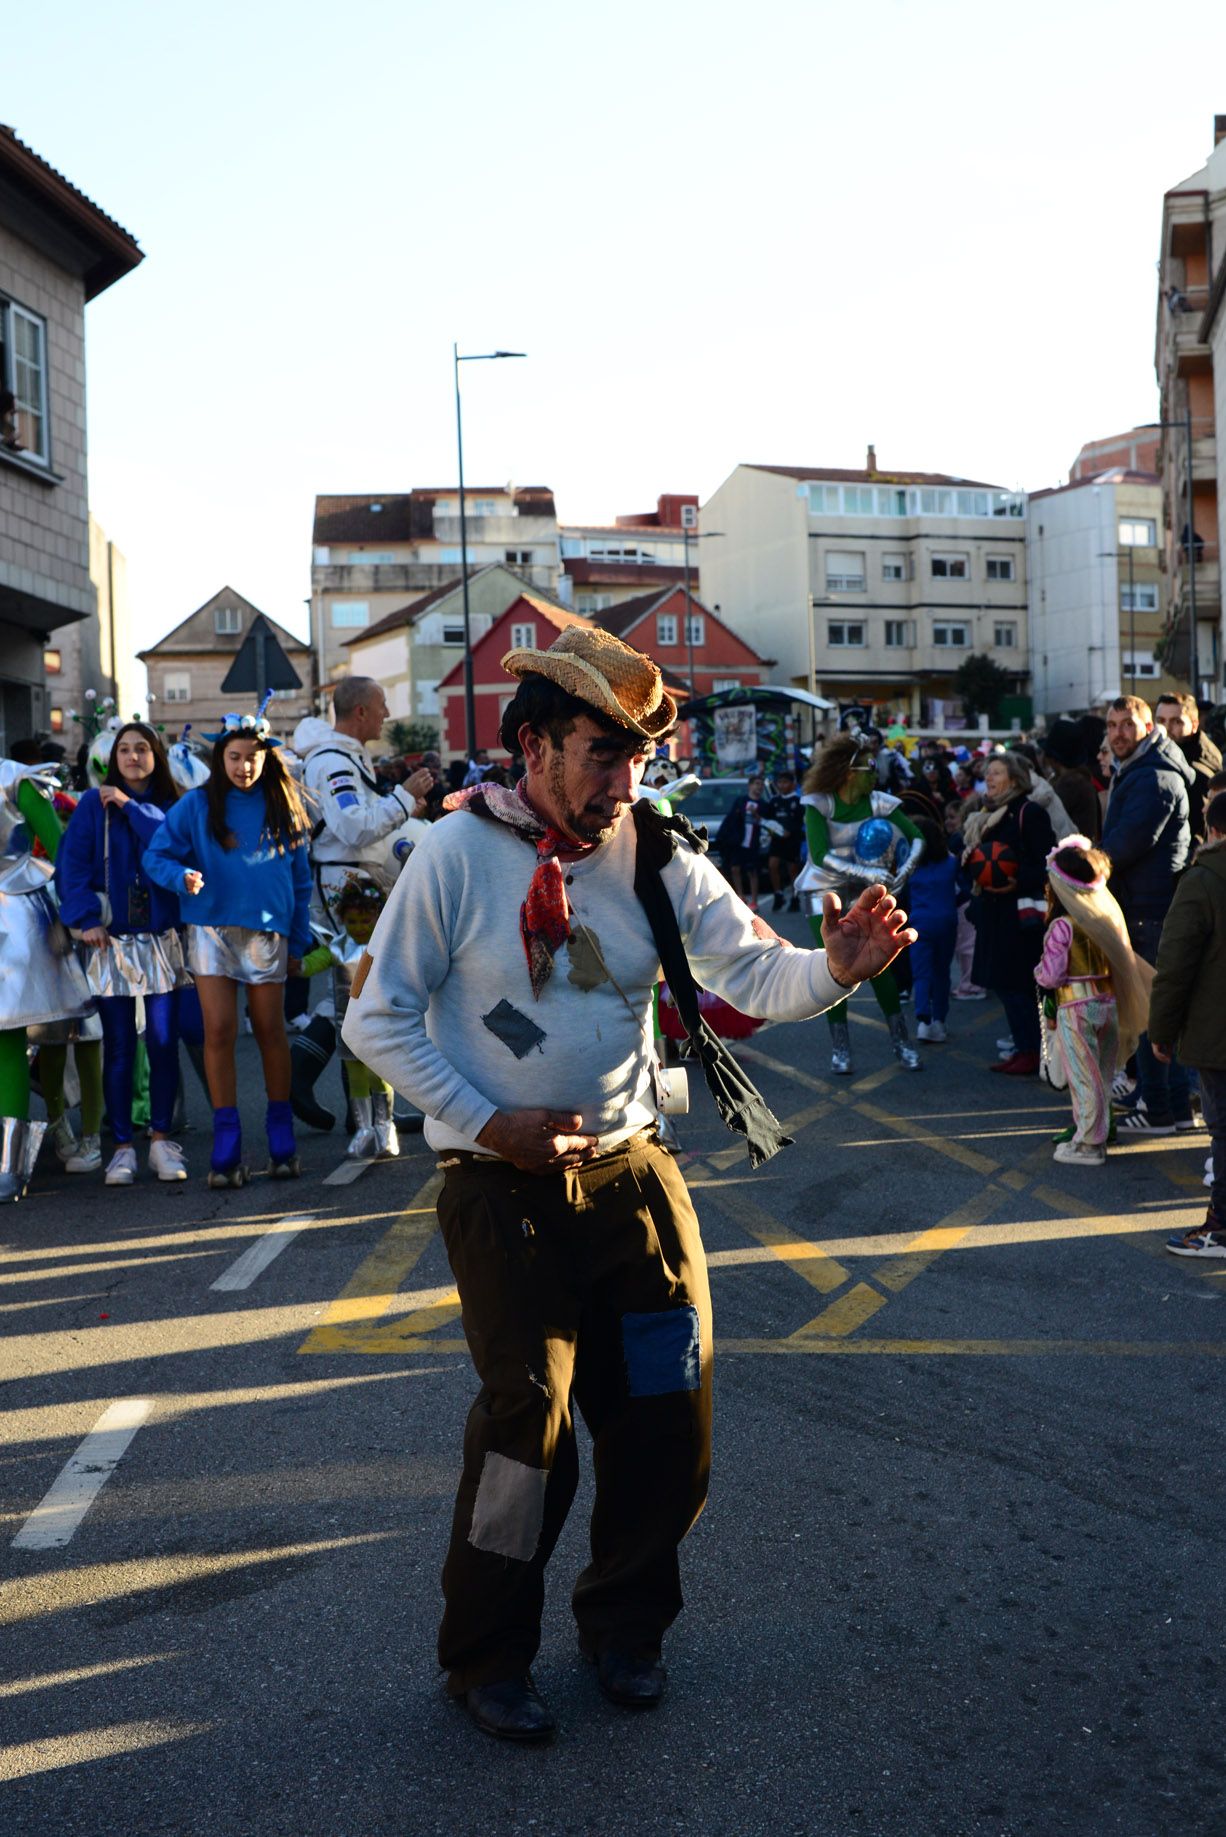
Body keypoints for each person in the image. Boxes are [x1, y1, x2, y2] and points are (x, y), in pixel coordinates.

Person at [342, 624, 914, 1743]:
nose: (621, 782)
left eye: (637, 759)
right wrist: (490, 1124)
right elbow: (378, 1019)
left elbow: (753, 967)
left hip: (633, 1178)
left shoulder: (653, 852)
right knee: (528, 1430)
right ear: (535, 745)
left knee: (667, 1412)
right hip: (498, 1188)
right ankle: (487, 1654)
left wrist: (835, 970)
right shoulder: (452, 857)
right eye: (601, 755)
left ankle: (624, 1625)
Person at [143, 706, 312, 1186]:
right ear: (221, 758)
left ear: (267, 757)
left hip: (267, 933)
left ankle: (281, 1133)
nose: (244, 767)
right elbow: (156, 854)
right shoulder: (197, 805)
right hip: (210, 930)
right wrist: (180, 876)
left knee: (268, 1030)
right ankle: (227, 1138)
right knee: (217, 1031)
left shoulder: (285, 802)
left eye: (253, 757)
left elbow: (301, 882)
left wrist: (299, 938)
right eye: (235, 757)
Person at [289, 681, 430, 1132]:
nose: (388, 714)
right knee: (360, 991)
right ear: (363, 711)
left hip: (355, 880)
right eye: (384, 707)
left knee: (362, 991)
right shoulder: (333, 761)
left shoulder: (342, 755)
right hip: (344, 883)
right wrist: (403, 798)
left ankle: (366, 1109)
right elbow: (352, 826)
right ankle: (362, 1112)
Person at [55, 722, 189, 1184]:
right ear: (113, 757)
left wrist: (131, 808)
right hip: (109, 940)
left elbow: (173, 847)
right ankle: (122, 1149)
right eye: (125, 749)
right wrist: (85, 917)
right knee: (118, 1047)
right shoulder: (93, 803)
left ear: (157, 755)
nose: (133, 756)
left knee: (163, 1042)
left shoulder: (172, 803)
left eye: (143, 749)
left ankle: (160, 1142)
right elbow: (69, 868)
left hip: (160, 938)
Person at [796, 731, 924, 1074]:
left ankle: (902, 1042)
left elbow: (917, 837)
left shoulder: (881, 801)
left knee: (882, 967)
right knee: (833, 967)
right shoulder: (818, 803)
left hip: (867, 892)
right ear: (850, 772)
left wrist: (904, 871)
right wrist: (867, 873)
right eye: (869, 769)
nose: (876, 775)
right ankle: (840, 1048)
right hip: (823, 893)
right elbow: (820, 856)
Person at [1099, 694, 1196, 1136]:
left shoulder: (1153, 777)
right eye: (1112, 725)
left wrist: (1082, 862)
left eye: (1127, 724)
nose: (1118, 733)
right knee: (1158, 1016)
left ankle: (1158, 1110)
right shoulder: (1141, 769)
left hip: (1148, 913)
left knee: (1149, 1018)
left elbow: (1125, 845)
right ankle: (1174, 1109)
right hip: (1147, 909)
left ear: (1147, 729)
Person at [0, 757, 95, 1200]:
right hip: (15, 917)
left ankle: (9, 1164)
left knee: (7, 1040)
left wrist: (79, 912)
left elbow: (60, 847)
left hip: (13, 920)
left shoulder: (14, 778)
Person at [1034, 839, 1152, 1167]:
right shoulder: (1105, 918)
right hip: (1109, 1006)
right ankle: (1099, 1132)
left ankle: (1089, 1144)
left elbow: (1053, 975)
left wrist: (1040, 973)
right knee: (1101, 1074)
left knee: (1083, 1078)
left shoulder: (1062, 925)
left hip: (1077, 1009)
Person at [1154, 792, 1226, 1255]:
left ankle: (1220, 1228)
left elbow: (1175, 963)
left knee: (1224, 1130)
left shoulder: (1203, 878)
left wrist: (1161, 1030)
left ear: (1215, 830)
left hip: (1217, 1032)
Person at [961, 751, 1055, 1075]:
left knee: (1018, 986)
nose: (989, 778)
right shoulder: (986, 813)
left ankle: (1032, 1050)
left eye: (997, 773)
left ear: (1014, 779)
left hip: (1019, 916)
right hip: (993, 910)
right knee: (1002, 984)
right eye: (988, 773)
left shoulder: (1029, 813)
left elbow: (1048, 861)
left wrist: (1016, 881)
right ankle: (1023, 1046)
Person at [907, 816, 958, 1042]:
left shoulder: (910, 866)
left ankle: (923, 1019)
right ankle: (939, 1021)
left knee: (921, 973)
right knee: (942, 973)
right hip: (947, 921)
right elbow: (965, 889)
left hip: (920, 923)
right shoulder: (951, 862)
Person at [1154, 692, 1222, 844]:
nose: (1166, 728)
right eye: (1160, 721)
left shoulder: (1197, 772)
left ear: (1194, 725)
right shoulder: (1162, 760)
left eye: (1176, 722)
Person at [714, 773, 769, 907]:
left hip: (754, 842)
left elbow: (767, 821)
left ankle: (754, 901)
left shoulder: (764, 805)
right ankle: (741, 896)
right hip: (738, 841)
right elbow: (732, 819)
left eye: (761, 785)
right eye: (756, 784)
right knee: (735, 869)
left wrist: (756, 815)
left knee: (753, 871)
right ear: (750, 786)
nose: (759, 787)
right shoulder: (741, 801)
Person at [764, 768, 804, 910]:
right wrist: (770, 830)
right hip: (777, 840)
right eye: (780, 782)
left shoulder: (798, 801)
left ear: (793, 784)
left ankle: (795, 897)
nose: (782, 785)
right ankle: (778, 894)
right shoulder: (774, 801)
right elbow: (767, 819)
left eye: (785, 782)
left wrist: (791, 831)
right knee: (772, 865)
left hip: (792, 840)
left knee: (792, 869)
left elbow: (800, 822)